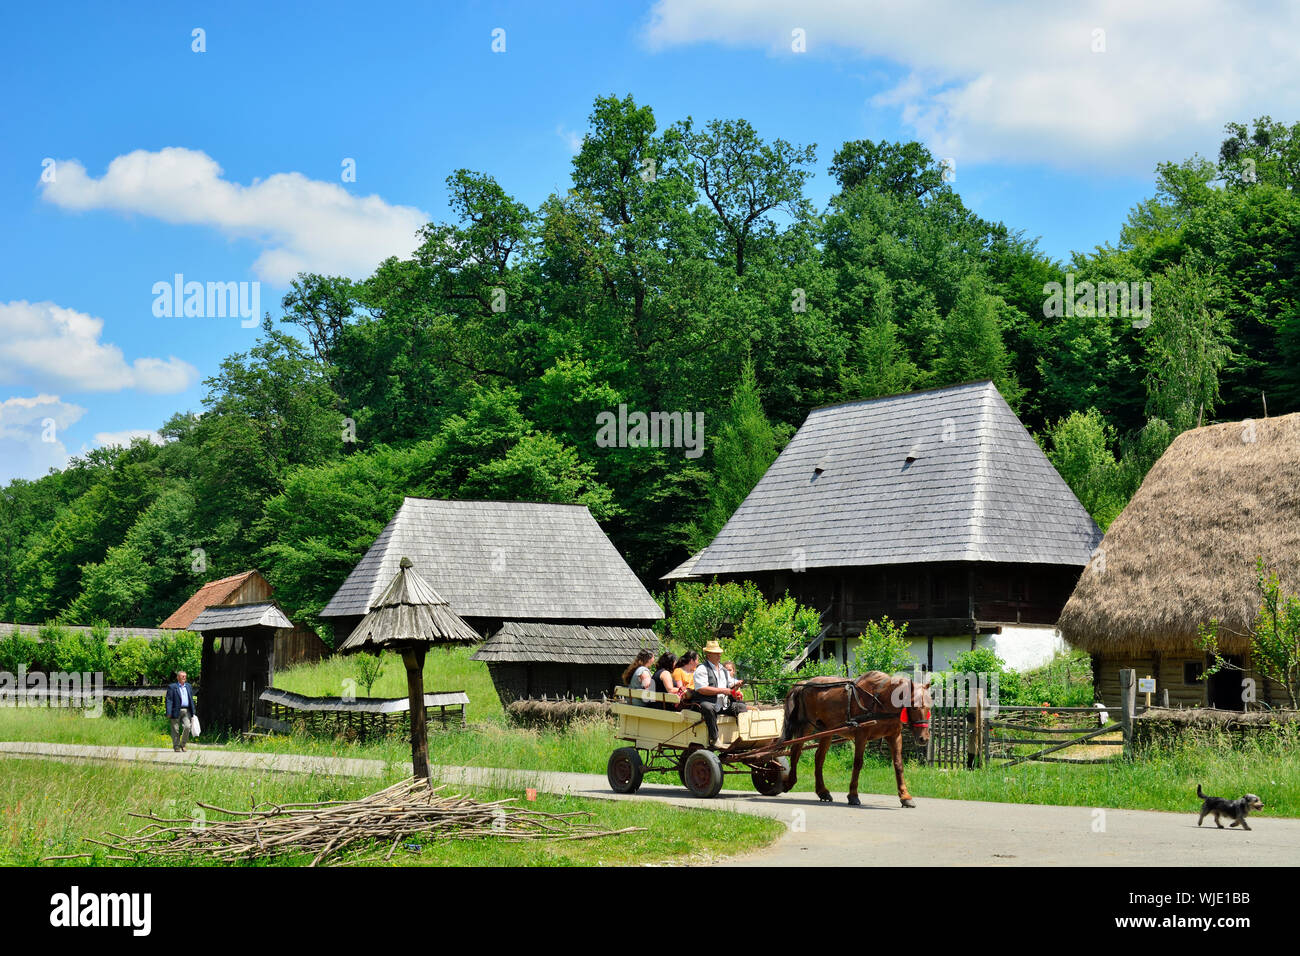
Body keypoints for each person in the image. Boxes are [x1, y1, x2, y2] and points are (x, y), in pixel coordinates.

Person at [692, 640, 746, 747]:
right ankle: (714, 738)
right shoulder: (702, 669)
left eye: (719, 653)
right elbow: (701, 689)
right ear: (708, 655)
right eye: (716, 653)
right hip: (708, 702)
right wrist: (724, 690)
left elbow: (731, 684)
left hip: (723, 704)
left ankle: (742, 736)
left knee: (741, 707)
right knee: (707, 707)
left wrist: (738, 684)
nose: (719, 655)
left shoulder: (723, 670)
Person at [165, 670, 198, 752]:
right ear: (178, 677)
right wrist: (168, 712)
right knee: (175, 729)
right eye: (182, 676)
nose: (184, 677)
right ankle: (176, 746)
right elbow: (169, 700)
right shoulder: (172, 687)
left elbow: (191, 699)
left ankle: (183, 744)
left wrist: (193, 711)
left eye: (185, 676)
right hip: (175, 710)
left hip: (186, 710)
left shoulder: (188, 686)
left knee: (187, 726)